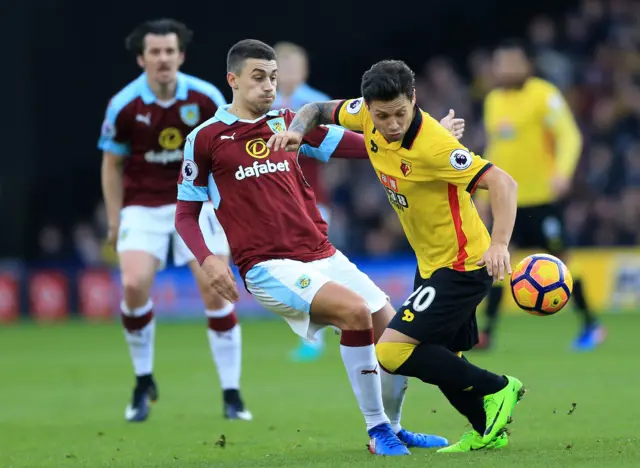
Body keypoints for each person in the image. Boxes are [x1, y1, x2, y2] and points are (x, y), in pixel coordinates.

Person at [175, 39, 452, 456]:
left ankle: (395, 427)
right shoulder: (206, 138)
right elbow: (184, 214)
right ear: (232, 80)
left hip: (321, 253)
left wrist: (420, 142)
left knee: (396, 335)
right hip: (267, 266)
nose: (269, 86)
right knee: (355, 313)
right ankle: (377, 430)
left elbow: (363, 148)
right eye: (258, 77)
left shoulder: (290, 122)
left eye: (272, 77)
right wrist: (208, 259)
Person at [268, 59, 524, 453]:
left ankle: (499, 387)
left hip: (461, 265)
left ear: (414, 100)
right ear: (367, 107)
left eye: (400, 114)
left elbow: (503, 183)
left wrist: (500, 244)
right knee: (444, 358)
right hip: (431, 264)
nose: (390, 124)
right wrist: (297, 132)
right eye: (382, 115)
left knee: (390, 350)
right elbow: (316, 110)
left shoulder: (434, 146)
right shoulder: (364, 114)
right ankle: (486, 429)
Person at [98, 19, 250, 422]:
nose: (163, 59)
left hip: (197, 203)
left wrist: (228, 208)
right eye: (155, 52)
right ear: (141, 58)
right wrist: (115, 221)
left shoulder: (204, 97)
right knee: (132, 284)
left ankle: (232, 394)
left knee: (216, 291)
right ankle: (143, 381)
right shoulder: (124, 105)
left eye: (170, 51)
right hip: (144, 207)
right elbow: (111, 164)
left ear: (180, 56)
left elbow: (225, 154)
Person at [476, 39, 605, 351]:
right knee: (496, 263)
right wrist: (481, 196)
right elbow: (495, 148)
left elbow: (569, 135)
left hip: (543, 199)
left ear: (526, 65)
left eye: (511, 63)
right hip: (508, 202)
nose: (505, 69)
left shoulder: (544, 96)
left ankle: (591, 325)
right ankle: (487, 333)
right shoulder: (493, 101)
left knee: (563, 262)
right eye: (500, 64)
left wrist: (562, 171)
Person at [273, 41, 332, 362]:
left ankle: (316, 337)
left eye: (294, 65)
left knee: (313, 266)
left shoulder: (315, 104)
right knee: (294, 268)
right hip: (274, 198)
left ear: (305, 70)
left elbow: (331, 148)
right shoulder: (264, 104)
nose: (288, 72)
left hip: (311, 197)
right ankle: (336, 319)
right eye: (282, 66)